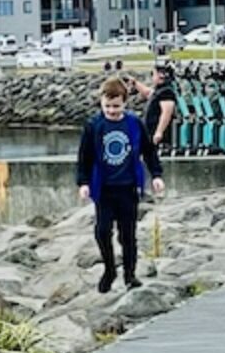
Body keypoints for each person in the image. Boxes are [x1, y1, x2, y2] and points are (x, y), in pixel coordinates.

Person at [76, 77, 165, 293]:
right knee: (103, 231)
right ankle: (109, 269)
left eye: (116, 106)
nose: (112, 111)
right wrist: (83, 182)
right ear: (101, 103)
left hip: (128, 188)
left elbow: (148, 151)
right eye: (107, 106)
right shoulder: (94, 126)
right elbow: (84, 157)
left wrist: (156, 175)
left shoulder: (134, 124)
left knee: (128, 235)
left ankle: (130, 275)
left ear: (124, 103)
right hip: (104, 188)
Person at [131, 64, 178, 156]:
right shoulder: (159, 90)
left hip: (155, 132)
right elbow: (148, 92)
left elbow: (166, 113)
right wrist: (135, 83)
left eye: (153, 74)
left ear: (161, 76)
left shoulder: (167, 92)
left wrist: (159, 132)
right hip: (149, 131)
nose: (152, 77)